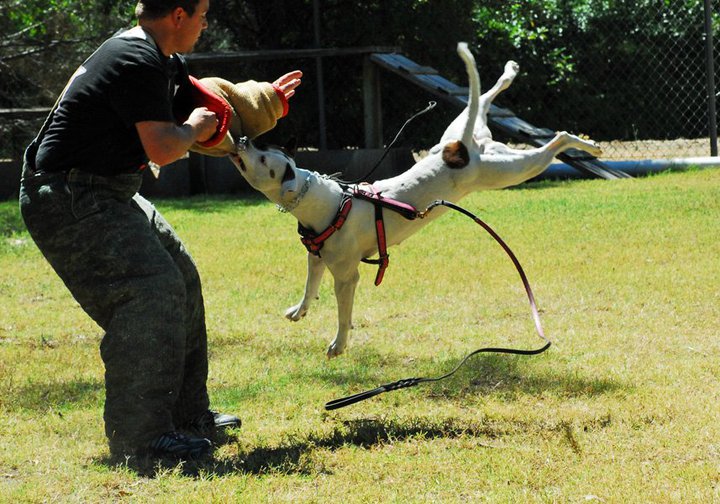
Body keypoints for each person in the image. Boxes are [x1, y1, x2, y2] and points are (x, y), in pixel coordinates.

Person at [18, 0, 301, 459]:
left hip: (107, 190)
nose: (207, 22)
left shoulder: (162, 60)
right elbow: (165, 146)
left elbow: (217, 106)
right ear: (177, 15)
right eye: (202, 13)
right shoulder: (135, 60)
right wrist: (190, 129)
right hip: (68, 196)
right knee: (151, 290)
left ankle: (189, 416)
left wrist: (267, 98)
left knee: (181, 275)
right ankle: (141, 435)